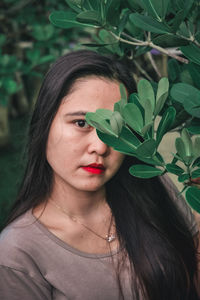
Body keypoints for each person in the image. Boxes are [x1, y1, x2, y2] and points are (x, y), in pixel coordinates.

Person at [0, 50, 199, 300]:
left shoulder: (152, 187)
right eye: (82, 123)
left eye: (116, 128)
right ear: (44, 124)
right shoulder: (17, 254)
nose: (101, 146)